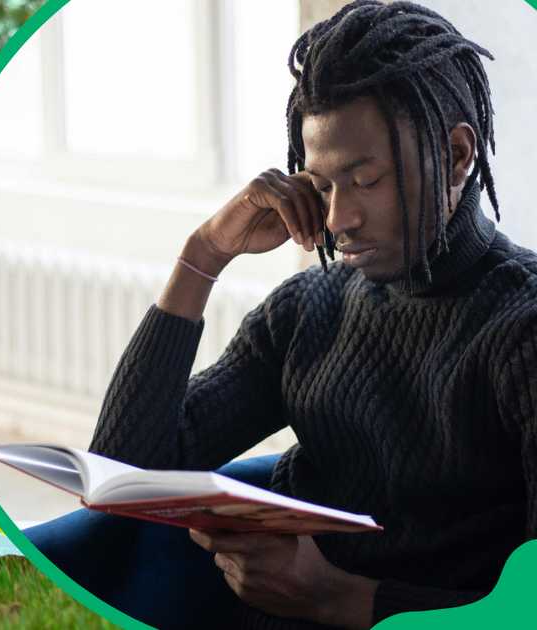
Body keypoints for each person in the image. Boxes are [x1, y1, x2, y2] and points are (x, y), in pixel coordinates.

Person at [26, 2, 536, 629]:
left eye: (366, 179)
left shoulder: (523, 328)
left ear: (457, 156)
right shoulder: (307, 308)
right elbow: (125, 477)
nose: (338, 218)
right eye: (320, 186)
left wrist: (341, 598)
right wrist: (203, 255)